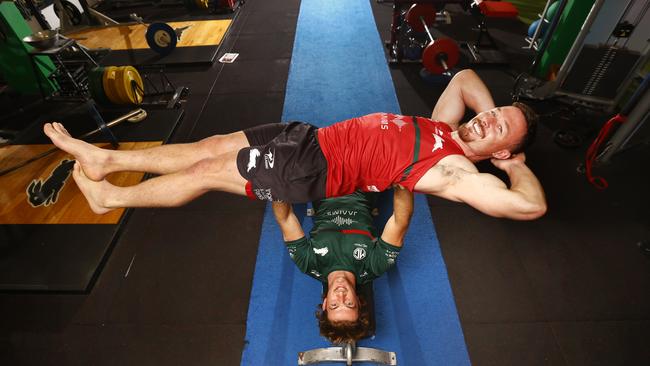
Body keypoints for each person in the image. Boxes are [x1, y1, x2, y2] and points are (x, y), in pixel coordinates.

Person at [43, 69, 546, 220]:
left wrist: (514, 166)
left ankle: (110, 196)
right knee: (209, 145)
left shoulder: (458, 170)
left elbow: (528, 207)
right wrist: (494, 117)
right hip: (309, 136)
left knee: (203, 175)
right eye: (494, 113)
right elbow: (463, 77)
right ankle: (105, 160)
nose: (487, 120)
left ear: (498, 152)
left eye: (497, 128)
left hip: (309, 171)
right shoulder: (444, 125)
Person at [272, 187, 414, 344]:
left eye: (334, 305)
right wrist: (404, 181)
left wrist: (276, 184)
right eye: (349, 304)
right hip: (363, 181)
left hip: (324, 181)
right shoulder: (374, 266)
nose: (341, 295)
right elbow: (400, 222)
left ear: (325, 304)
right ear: (359, 302)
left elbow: (285, 218)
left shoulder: (309, 263)